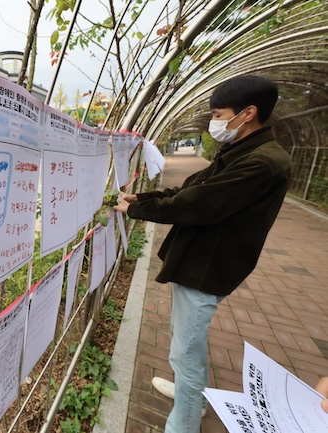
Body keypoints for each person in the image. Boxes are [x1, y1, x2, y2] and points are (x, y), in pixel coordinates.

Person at [114, 75, 292, 433]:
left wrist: (138, 210)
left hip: (210, 265)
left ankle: (184, 421)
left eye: (218, 113)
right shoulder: (244, 149)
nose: (214, 121)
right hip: (203, 259)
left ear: (248, 113)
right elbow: (195, 187)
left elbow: (200, 204)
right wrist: (145, 199)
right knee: (188, 341)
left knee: (186, 350)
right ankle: (188, 394)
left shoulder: (262, 161)